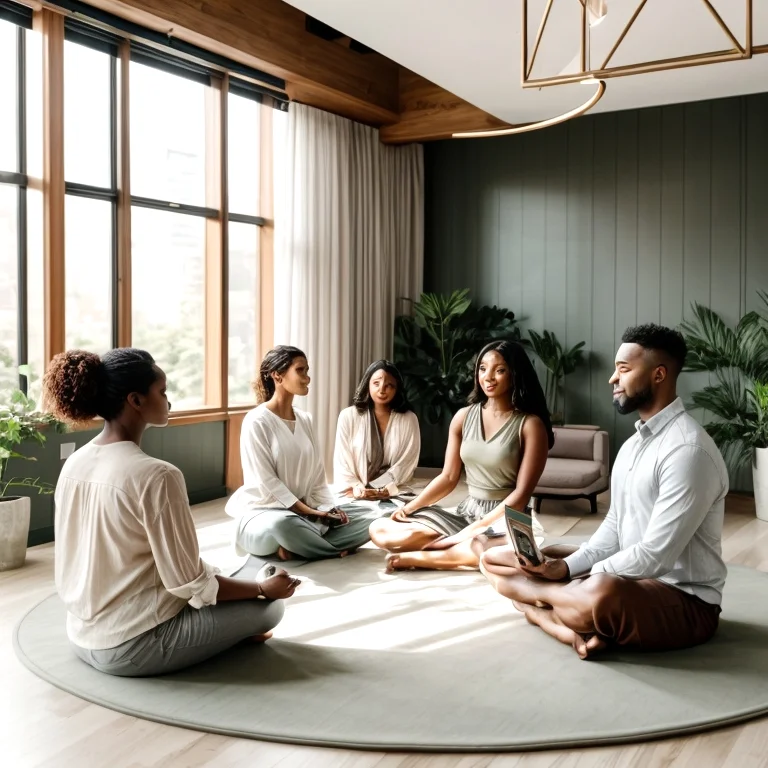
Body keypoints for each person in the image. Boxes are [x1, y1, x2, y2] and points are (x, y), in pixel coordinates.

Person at [45, 348, 298, 678]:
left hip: (80, 635)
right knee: (271, 607)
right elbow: (188, 584)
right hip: (133, 646)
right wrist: (263, 591)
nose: (169, 401)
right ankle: (233, 629)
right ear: (135, 400)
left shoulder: (75, 463)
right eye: (162, 392)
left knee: (235, 578)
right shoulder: (157, 475)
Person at [481, 324, 729, 660]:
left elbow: (656, 557)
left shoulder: (688, 451)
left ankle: (535, 603)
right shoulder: (632, 446)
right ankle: (560, 618)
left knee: (600, 589)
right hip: (630, 577)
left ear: (659, 374)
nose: (612, 379)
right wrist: (566, 569)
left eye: (623, 369)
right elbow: (614, 526)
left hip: (684, 601)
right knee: (509, 556)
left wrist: (580, 577)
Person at [369, 340, 554, 571]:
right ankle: (453, 547)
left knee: (482, 545)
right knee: (380, 529)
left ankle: (421, 558)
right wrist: (409, 509)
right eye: (483, 368)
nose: (488, 377)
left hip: (506, 517)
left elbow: (520, 497)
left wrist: (470, 532)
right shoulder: (464, 417)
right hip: (466, 512)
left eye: (500, 370)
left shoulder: (530, 425)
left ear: (515, 374)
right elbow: (448, 477)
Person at [226, 345, 381, 561]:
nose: (307, 378)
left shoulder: (305, 419)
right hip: (264, 514)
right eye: (300, 370)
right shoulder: (256, 421)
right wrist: (310, 513)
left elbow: (318, 476)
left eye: (307, 371)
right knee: (283, 525)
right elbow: (267, 481)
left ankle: (299, 547)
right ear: (277, 376)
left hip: (306, 513)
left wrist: (329, 509)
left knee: (373, 515)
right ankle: (330, 550)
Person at [333, 359, 420, 501]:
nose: (382, 389)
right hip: (355, 492)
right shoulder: (348, 416)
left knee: (404, 519)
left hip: (395, 490)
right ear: (367, 384)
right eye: (376, 383)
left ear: (397, 388)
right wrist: (358, 487)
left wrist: (381, 488)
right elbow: (342, 461)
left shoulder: (409, 419)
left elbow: (407, 462)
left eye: (389, 385)